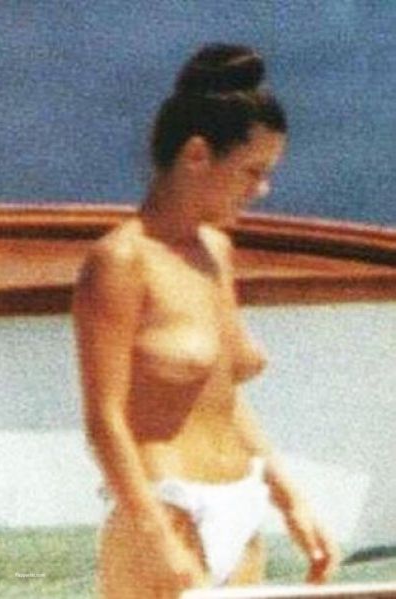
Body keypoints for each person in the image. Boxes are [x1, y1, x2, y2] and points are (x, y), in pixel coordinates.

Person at [73, 43, 339, 599]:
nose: (262, 189)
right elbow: (104, 421)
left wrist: (289, 498)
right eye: (252, 171)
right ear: (197, 154)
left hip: (239, 505)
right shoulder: (120, 262)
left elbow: (219, 393)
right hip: (165, 513)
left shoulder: (216, 251)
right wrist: (157, 539)